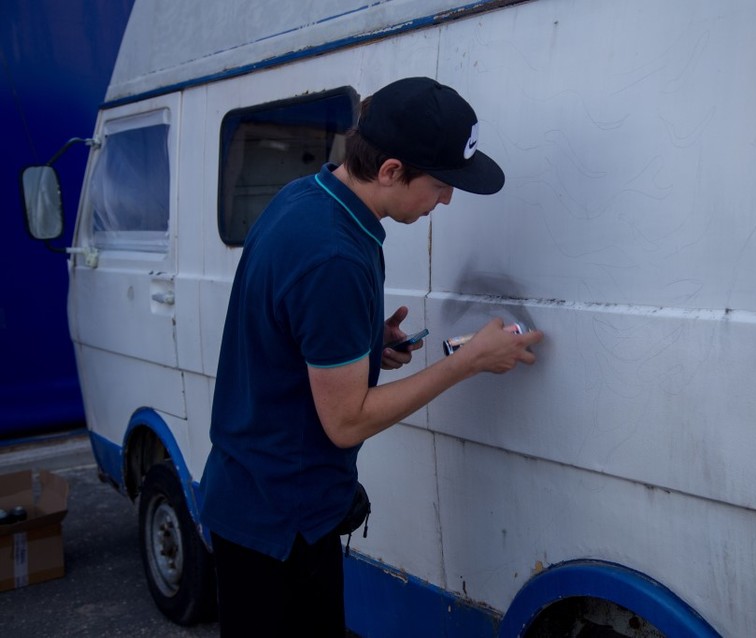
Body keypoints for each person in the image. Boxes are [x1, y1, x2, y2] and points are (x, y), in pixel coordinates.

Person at [199, 76, 543, 637]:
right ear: (390, 171)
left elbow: (290, 328)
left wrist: (362, 341)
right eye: (440, 184)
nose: (448, 199)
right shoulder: (334, 257)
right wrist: (468, 361)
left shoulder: (306, 198)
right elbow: (346, 421)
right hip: (281, 530)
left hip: (254, 502)